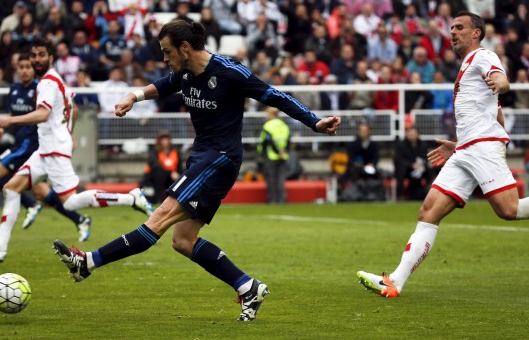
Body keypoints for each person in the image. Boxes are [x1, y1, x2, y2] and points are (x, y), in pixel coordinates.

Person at [52, 20, 341, 322]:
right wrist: (132, 96)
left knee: (158, 218)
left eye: (167, 52)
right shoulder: (185, 72)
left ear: (185, 48)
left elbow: (275, 95)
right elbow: (164, 85)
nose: (165, 59)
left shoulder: (230, 72)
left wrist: (314, 121)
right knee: (183, 241)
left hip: (219, 159)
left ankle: (88, 262)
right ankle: (247, 286)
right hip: (202, 157)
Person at [357, 12, 529, 299]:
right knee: (428, 211)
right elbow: (496, 114)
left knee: (509, 210)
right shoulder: (466, 66)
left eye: (459, 27)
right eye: (451, 27)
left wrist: (500, 84)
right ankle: (394, 281)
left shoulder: (482, 56)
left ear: (476, 33)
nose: (452, 32)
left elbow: (500, 79)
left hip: (481, 148)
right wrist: (458, 145)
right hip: (467, 149)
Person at [0, 38, 155, 263]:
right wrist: (69, 133)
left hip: (54, 151)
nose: (36, 59)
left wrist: (9, 121)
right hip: (47, 149)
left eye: (41, 55)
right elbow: (74, 110)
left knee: (70, 202)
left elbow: (43, 114)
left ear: (50, 58)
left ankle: (131, 198)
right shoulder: (58, 80)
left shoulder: (47, 83)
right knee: (11, 188)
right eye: (33, 55)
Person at [0, 53, 90, 237]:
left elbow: (68, 109)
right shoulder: (14, 89)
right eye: (21, 67)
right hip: (20, 144)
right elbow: (12, 115)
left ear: (33, 69)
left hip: (32, 146)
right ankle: (79, 219)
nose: (24, 71)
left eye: (28, 67)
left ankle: (28, 208)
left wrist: (68, 134)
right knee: (42, 192)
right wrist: (2, 128)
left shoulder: (42, 88)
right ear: (16, 69)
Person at [258, 107, 290, 204]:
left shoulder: (268, 126)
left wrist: (262, 155)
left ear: (272, 114)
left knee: (271, 178)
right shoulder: (284, 125)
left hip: (271, 155)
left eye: (267, 114)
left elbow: (268, 141)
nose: (266, 116)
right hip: (283, 155)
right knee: (281, 179)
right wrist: (283, 151)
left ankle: (272, 200)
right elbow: (288, 141)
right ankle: (282, 199)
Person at [141, 130, 182, 203]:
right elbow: (155, 167)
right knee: (160, 173)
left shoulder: (175, 152)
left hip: (171, 179)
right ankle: (158, 198)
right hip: (154, 180)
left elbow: (179, 167)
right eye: (162, 139)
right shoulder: (154, 152)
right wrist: (170, 173)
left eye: (166, 139)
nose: (164, 141)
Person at [393, 126, 430, 200]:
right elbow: (398, 160)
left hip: (419, 169)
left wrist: (420, 165)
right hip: (406, 169)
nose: (412, 135)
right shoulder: (401, 145)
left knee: (430, 170)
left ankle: (428, 192)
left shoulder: (423, 145)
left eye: (414, 133)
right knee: (401, 169)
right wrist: (412, 165)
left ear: (418, 134)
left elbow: (425, 159)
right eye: (410, 133)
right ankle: (400, 195)